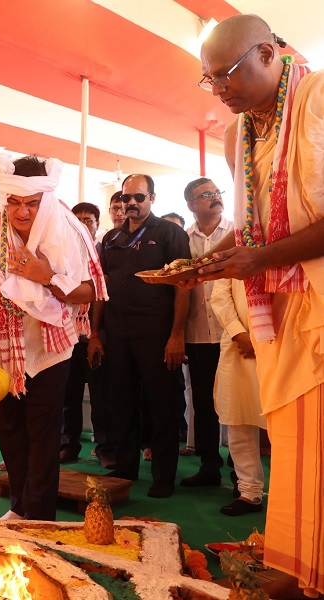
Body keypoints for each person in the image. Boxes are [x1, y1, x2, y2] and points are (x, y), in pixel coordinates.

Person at [196, 15, 324, 594]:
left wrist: (260, 258)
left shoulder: (316, 100)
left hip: (316, 301)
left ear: (269, 54)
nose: (218, 89)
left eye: (226, 74)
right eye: (209, 80)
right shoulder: (241, 132)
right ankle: (303, 566)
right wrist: (206, 263)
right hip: (282, 305)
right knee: (294, 445)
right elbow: (253, 227)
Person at [0, 154, 104, 521]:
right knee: (8, 427)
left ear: (46, 198)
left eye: (32, 203)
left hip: (50, 348)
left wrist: (45, 277)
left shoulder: (69, 231)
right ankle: (19, 507)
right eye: (14, 201)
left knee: (43, 433)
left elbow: (90, 291)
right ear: (4, 197)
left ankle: (39, 518)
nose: (22, 211)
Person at [88, 174, 191, 498]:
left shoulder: (170, 234)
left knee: (162, 405)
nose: (131, 203)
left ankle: (163, 476)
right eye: (126, 197)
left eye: (139, 197)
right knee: (121, 403)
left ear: (152, 198)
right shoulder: (111, 238)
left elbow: (184, 286)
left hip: (157, 334)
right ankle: (125, 468)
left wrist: (177, 335)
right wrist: (94, 333)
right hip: (117, 335)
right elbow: (101, 288)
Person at [180, 179, 232, 488]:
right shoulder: (184, 240)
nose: (215, 197)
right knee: (203, 402)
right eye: (206, 195)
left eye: (216, 192)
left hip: (233, 333)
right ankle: (209, 465)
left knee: (237, 402)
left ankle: (241, 473)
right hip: (198, 333)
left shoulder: (237, 232)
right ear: (191, 205)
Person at [60, 201, 114, 468]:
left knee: (101, 395)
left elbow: (103, 295)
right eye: (77, 219)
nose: (82, 224)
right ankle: (68, 445)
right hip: (67, 335)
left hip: (98, 333)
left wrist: (96, 333)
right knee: (67, 394)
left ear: (97, 224)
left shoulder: (105, 252)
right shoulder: (62, 252)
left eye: (88, 220)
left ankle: (105, 448)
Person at [210, 277, 266, 516]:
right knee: (238, 418)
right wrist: (238, 333)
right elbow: (220, 294)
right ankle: (250, 491)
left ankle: (294, 493)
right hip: (238, 345)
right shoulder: (234, 249)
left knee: (289, 426)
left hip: (283, 341)